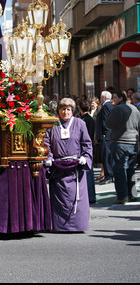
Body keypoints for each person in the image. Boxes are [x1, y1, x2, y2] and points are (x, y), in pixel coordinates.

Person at [44, 97, 93, 232]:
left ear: (72, 110)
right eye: (63, 109)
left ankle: (78, 225)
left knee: (77, 198)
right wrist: (48, 157)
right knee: (60, 198)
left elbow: (87, 144)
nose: (66, 112)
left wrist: (85, 157)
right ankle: (60, 226)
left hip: (75, 168)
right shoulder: (52, 124)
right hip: (58, 168)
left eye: (68, 109)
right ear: (58, 110)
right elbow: (46, 143)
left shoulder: (80, 124)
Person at [106, 90, 140, 204]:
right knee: (130, 169)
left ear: (121, 98)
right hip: (133, 142)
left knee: (119, 169)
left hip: (120, 142)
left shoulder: (118, 109)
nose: (113, 100)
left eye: (115, 97)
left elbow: (109, 123)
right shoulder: (134, 108)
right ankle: (132, 194)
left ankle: (122, 196)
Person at [78, 99, 96, 204]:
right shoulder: (91, 119)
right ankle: (92, 195)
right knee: (90, 172)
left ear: (80, 109)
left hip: (83, 147)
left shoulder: (82, 121)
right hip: (90, 146)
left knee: (87, 173)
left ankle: (89, 196)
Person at [95, 91, 114, 184]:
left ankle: (109, 175)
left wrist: (104, 133)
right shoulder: (109, 106)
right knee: (107, 156)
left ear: (104, 97)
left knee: (106, 157)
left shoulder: (106, 106)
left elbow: (106, 121)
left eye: (101, 97)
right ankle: (109, 174)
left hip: (106, 136)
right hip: (108, 135)